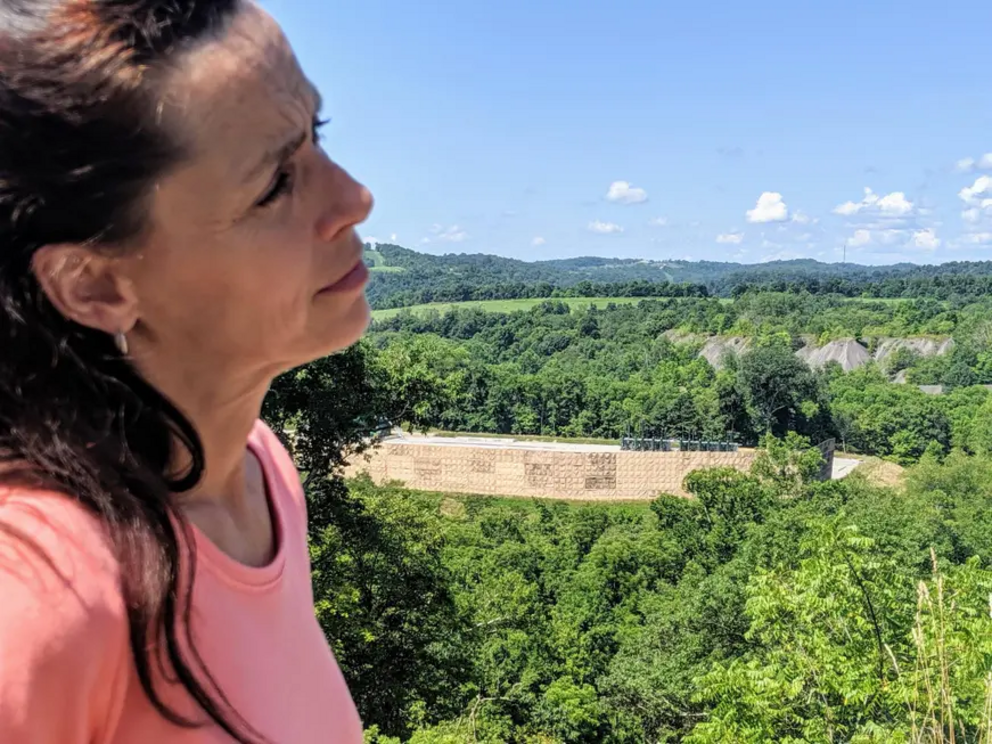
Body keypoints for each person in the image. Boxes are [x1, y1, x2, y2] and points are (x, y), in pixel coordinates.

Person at [0, 1, 374, 741]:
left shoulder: (261, 474)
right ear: (95, 285)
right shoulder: (41, 595)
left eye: (317, 136)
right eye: (274, 184)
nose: (355, 198)